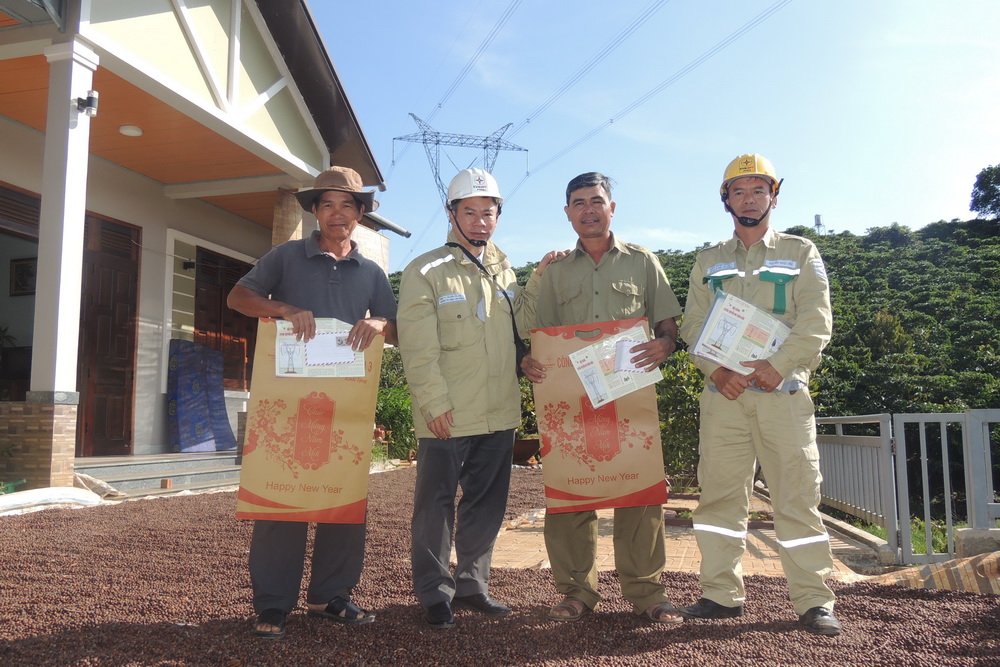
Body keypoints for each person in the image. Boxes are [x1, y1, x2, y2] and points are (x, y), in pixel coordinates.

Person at [227, 165, 398, 639]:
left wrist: (382, 324)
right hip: (286, 401)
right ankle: (273, 605)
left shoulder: (372, 272)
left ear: (360, 214)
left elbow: (399, 326)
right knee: (281, 499)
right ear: (316, 211)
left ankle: (329, 597)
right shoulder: (286, 256)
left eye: (347, 204)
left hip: (346, 405)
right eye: (328, 204)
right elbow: (238, 297)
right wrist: (281, 308)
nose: (337, 213)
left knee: (342, 499)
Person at [677, 154, 841, 636]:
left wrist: (777, 366)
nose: (748, 199)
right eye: (738, 191)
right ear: (725, 199)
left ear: (774, 195)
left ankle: (814, 601)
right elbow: (692, 325)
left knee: (796, 496)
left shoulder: (801, 252)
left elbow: (816, 322)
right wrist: (715, 369)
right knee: (720, 498)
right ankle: (720, 595)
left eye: (757, 190)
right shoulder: (709, 260)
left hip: (783, 394)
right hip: (724, 397)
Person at [397, 168, 561, 629]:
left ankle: (472, 585)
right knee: (435, 504)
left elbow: (520, 328)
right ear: (451, 214)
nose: (480, 221)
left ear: (498, 216)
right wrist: (433, 404)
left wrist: (539, 278)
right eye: (469, 211)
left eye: (488, 212)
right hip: (448, 412)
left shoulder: (504, 269)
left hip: (499, 410)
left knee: (486, 504)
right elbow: (418, 347)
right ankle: (434, 592)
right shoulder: (425, 271)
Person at [520, 171, 684, 626]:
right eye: (578, 202)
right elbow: (537, 336)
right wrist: (529, 360)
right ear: (568, 212)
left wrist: (665, 344)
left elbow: (669, 323)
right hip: (571, 397)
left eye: (596, 200)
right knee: (571, 494)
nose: (588, 209)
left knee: (640, 494)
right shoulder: (554, 272)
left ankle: (648, 593)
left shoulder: (643, 261)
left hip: (630, 396)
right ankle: (576, 592)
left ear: (612, 207)